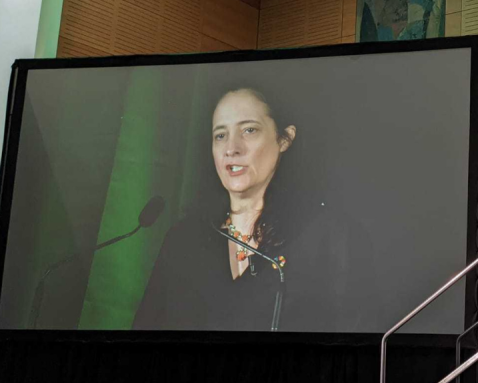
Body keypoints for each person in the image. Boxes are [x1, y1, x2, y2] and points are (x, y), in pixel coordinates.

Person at [133, 88, 360, 331]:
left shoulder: (331, 237)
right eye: (220, 135)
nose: (231, 148)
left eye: (249, 130)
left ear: (284, 139)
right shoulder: (183, 239)